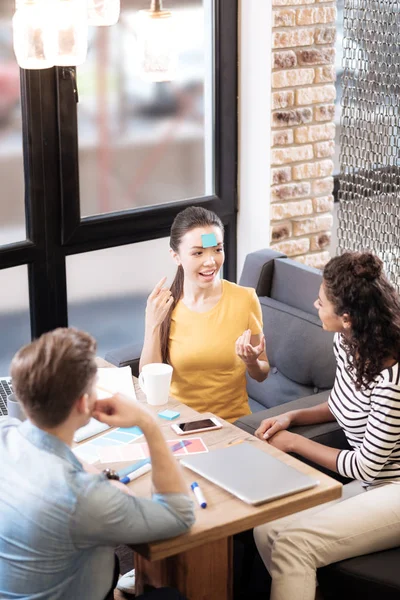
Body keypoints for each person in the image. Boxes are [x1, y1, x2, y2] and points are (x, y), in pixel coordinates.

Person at [0, 327, 195, 600]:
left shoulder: (5, 435)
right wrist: (148, 423)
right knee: (171, 597)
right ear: (83, 403)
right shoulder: (82, 497)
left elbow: (57, 458)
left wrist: (103, 483)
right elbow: (180, 515)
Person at [252, 251, 400, 600]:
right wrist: (292, 417)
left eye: (323, 301)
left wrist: (293, 443)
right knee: (266, 527)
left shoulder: (393, 378)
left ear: (347, 317)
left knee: (293, 544)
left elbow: (366, 465)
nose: (315, 303)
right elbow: (341, 404)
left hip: (392, 485)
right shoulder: (347, 344)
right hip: (371, 484)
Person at [140, 206, 270, 423]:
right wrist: (152, 324)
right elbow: (149, 381)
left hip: (233, 425)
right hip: (178, 422)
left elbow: (262, 373)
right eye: (198, 253)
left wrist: (252, 362)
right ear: (176, 256)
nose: (211, 261)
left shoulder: (245, 299)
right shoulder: (164, 304)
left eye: (217, 250)